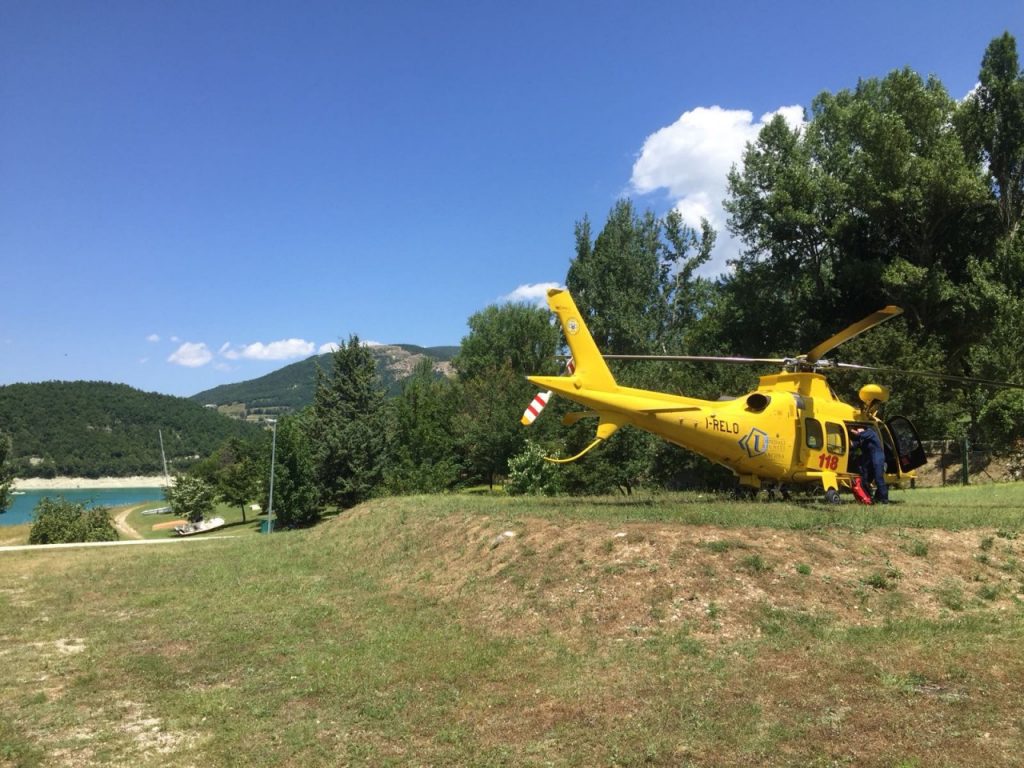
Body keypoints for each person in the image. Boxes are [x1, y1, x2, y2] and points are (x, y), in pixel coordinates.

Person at [850, 426, 889, 504]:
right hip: (868, 461)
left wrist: (851, 430)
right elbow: (852, 444)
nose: (858, 429)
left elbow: (859, 434)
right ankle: (869, 497)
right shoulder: (862, 439)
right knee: (864, 480)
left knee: (878, 478)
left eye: (858, 428)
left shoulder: (870, 432)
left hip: (877, 458)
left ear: (863, 429)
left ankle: (884, 499)